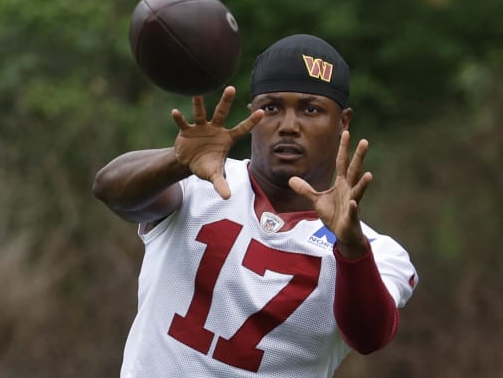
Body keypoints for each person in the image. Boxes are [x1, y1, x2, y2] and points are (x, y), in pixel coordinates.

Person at [92, 34, 418, 377]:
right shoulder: (199, 183)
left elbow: (369, 336)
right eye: (272, 107)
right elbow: (110, 190)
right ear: (252, 115)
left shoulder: (377, 251)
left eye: (311, 109)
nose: (288, 126)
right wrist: (176, 161)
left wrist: (352, 250)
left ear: (343, 122)